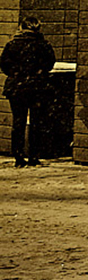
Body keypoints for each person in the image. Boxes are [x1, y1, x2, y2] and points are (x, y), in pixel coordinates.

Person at [2, 16, 55, 167]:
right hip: (37, 87)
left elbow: (4, 65)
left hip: (17, 87)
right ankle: (34, 156)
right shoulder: (43, 45)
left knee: (18, 122)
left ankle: (18, 157)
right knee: (36, 122)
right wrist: (37, 73)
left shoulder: (12, 45)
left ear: (21, 27)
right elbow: (49, 64)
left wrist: (17, 73)